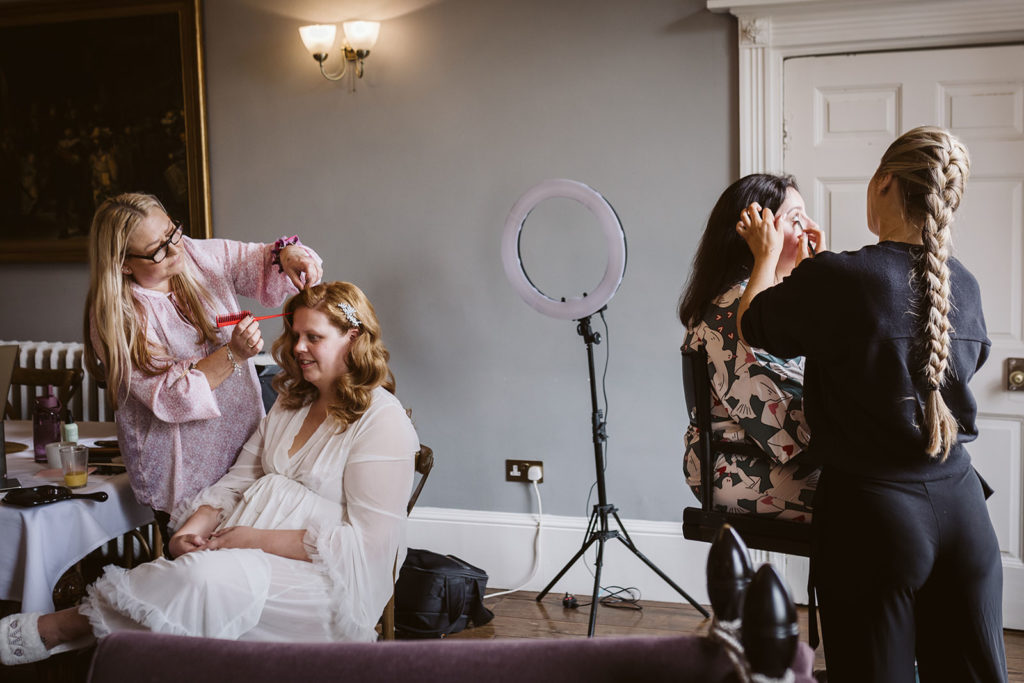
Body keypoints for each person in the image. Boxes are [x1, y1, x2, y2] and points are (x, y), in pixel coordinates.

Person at [0, 282, 419, 665]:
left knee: (201, 580)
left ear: (353, 337)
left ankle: (64, 628)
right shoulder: (292, 402)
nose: (298, 348)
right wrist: (191, 528)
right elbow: (239, 480)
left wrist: (251, 539)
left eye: (314, 337)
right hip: (242, 554)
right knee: (194, 579)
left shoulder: (382, 420)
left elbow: (367, 546)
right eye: (295, 335)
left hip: (328, 584)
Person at [736, 127, 1007, 682]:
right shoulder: (966, 285)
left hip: (874, 519)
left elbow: (753, 324)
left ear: (884, 181)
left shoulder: (839, 276)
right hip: (965, 513)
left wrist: (766, 256)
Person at [82, 192, 323, 542]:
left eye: (172, 232)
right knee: (196, 553)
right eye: (158, 249)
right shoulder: (117, 315)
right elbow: (170, 395)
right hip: (182, 469)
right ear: (123, 264)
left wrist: (289, 255)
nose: (175, 249)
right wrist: (233, 354)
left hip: (244, 445)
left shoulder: (195, 254)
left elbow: (259, 259)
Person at [678, 174, 823, 522]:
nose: (811, 229)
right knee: (880, 502)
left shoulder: (769, 303)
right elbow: (793, 430)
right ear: (756, 234)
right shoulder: (734, 307)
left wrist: (814, 276)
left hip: (769, 457)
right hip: (740, 467)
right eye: (796, 219)